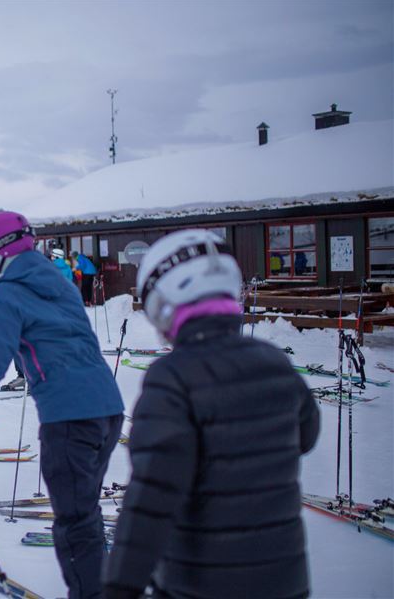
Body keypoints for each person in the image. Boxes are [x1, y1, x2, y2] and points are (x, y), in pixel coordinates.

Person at [103, 229, 320, 599]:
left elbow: (151, 500)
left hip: (201, 583)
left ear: (164, 307)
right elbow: (306, 435)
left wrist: (118, 588)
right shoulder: (274, 362)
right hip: (286, 581)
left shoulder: (172, 378)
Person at [0, 211, 124, 599]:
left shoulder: (8, 292)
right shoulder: (61, 283)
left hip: (69, 418)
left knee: (74, 523)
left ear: (0, 252)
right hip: (108, 410)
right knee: (85, 513)